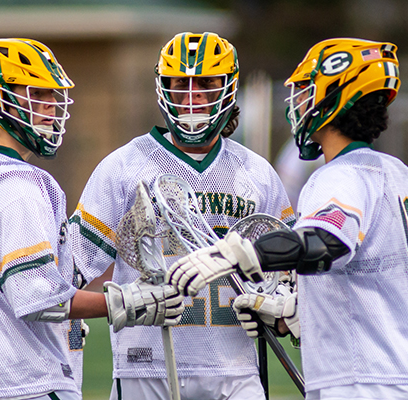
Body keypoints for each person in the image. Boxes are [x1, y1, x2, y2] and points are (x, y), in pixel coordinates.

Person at [168, 38, 408, 399]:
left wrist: (235, 253)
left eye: (306, 90)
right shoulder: (395, 172)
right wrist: (291, 312)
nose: (298, 102)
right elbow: (363, 272)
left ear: (335, 95)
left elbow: (323, 244)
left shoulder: (339, 177)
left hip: (365, 383)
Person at [0, 38, 183, 400]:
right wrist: (126, 301)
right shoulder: (19, 184)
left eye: (52, 95)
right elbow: (43, 301)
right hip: (31, 383)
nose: (51, 107)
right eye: (37, 94)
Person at [69, 32, 296, 400]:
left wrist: (279, 306)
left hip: (235, 367)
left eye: (205, 84)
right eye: (181, 85)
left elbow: (286, 271)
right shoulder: (123, 167)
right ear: (164, 89)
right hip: (147, 363)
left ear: (227, 88)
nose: (193, 98)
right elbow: (70, 267)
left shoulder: (256, 172)